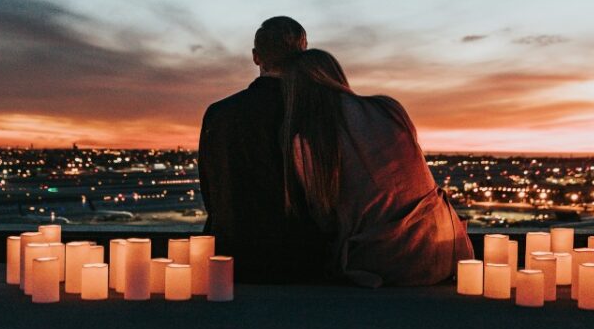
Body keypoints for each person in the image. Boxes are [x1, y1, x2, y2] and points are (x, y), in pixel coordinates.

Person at [281, 49, 474, 287]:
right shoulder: (389, 108)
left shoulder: (309, 141)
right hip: (448, 248)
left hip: (388, 263)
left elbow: (324, 218)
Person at [197, 17, 327, 283]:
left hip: (230, 258)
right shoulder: (315, 113)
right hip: (299, 261)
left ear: (256, 57)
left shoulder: (218, 114)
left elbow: (212, 193)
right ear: (303, 55)